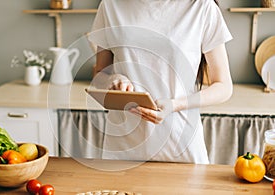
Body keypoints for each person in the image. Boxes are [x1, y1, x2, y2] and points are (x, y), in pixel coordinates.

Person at [88, 0, 233, 164]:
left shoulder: (202, 7)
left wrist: (174, 104)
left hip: (180, 145)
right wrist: (113, 79)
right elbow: (100, 74)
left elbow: (223, 86)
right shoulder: (110, 5)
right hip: (123, 147)